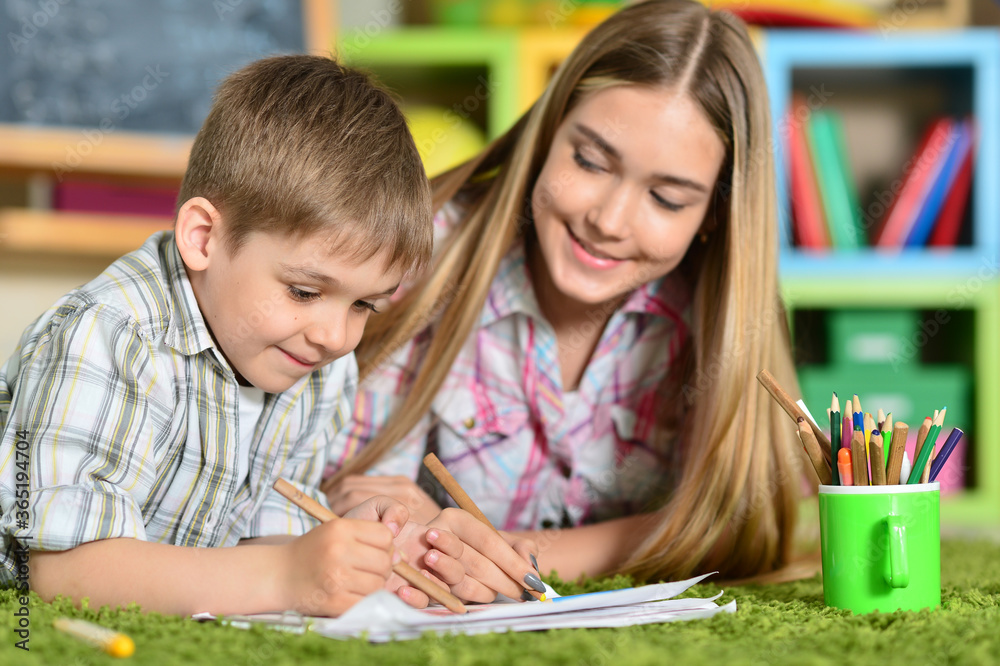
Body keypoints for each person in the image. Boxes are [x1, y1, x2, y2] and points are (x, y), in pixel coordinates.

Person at [0, 55, 541, 618]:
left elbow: (256, 548)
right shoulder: (111, 334)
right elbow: (61, 571)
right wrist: (284, 575)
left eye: (364, 304)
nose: (335, 336)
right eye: (304, 292)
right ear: (203, 238)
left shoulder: (317, 369)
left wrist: (357, 559)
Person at [324, 0, 808, 584]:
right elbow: (354, 495)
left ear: (712, 213)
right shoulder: (426, 253)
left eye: (666, 199)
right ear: (549, 132)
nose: (609, 220)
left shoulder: (715, 307)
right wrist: (412, 532)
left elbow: (736, 519)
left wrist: (511, 555)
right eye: (590, 161)